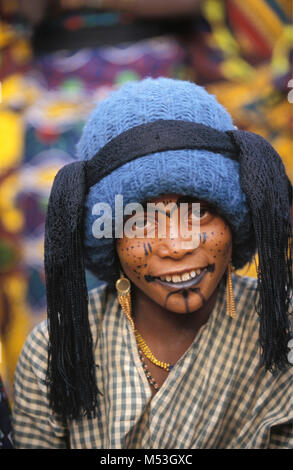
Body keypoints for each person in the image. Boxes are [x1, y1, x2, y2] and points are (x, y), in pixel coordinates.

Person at [13, 78, 292, 448]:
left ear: (233, 221)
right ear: (110, 239)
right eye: (139, 221)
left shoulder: (284, 329)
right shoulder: (51, 350)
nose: (175, 245)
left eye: (201, 213)